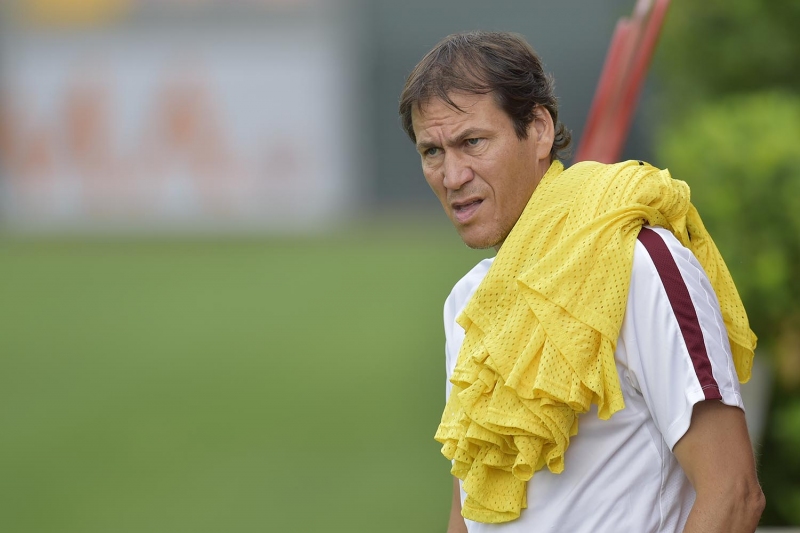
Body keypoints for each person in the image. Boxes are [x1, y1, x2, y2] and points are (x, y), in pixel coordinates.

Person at [398, 31, 765, 533]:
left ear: (539, 129)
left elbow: (734, 494)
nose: (452, 175)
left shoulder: (638, 264)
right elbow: (469, 509)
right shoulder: (468, 301)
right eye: (432, 151)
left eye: (472, 142)